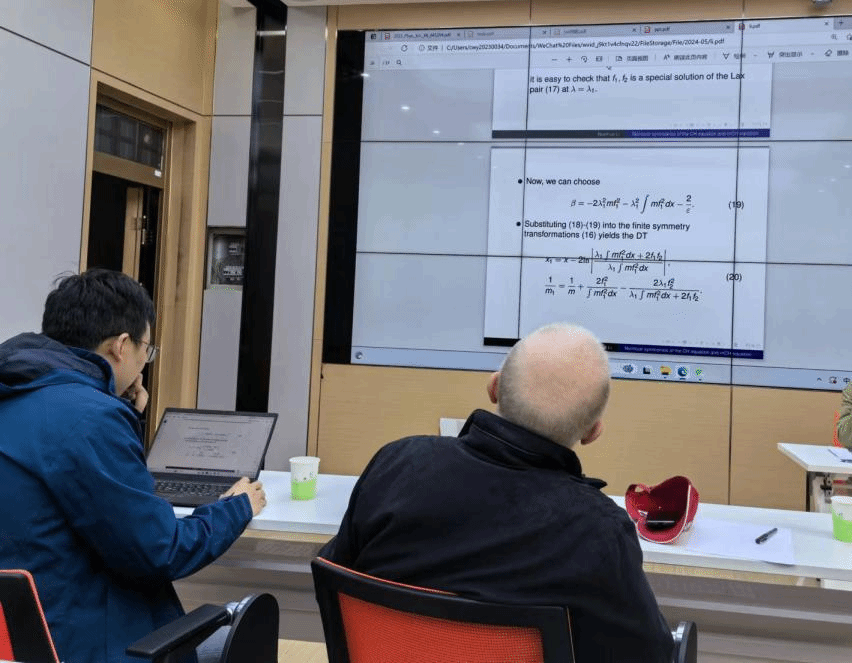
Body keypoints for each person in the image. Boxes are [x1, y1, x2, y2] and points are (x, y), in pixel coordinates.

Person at [320, 322, 674, 662]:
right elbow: (649, 654)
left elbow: (334, 580)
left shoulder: (397, 464)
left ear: (494, 387)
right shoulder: (599, 530)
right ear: (592, 432)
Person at [0, 269, 266, 663]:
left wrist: (119, 409)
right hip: (89, 643)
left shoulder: (19, 390)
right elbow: (162, 551)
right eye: (147, 350)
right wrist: (235, 507)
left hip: (20, 640)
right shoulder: (91, 418)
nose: (144, 364)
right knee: (250, 630)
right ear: (121, 345)